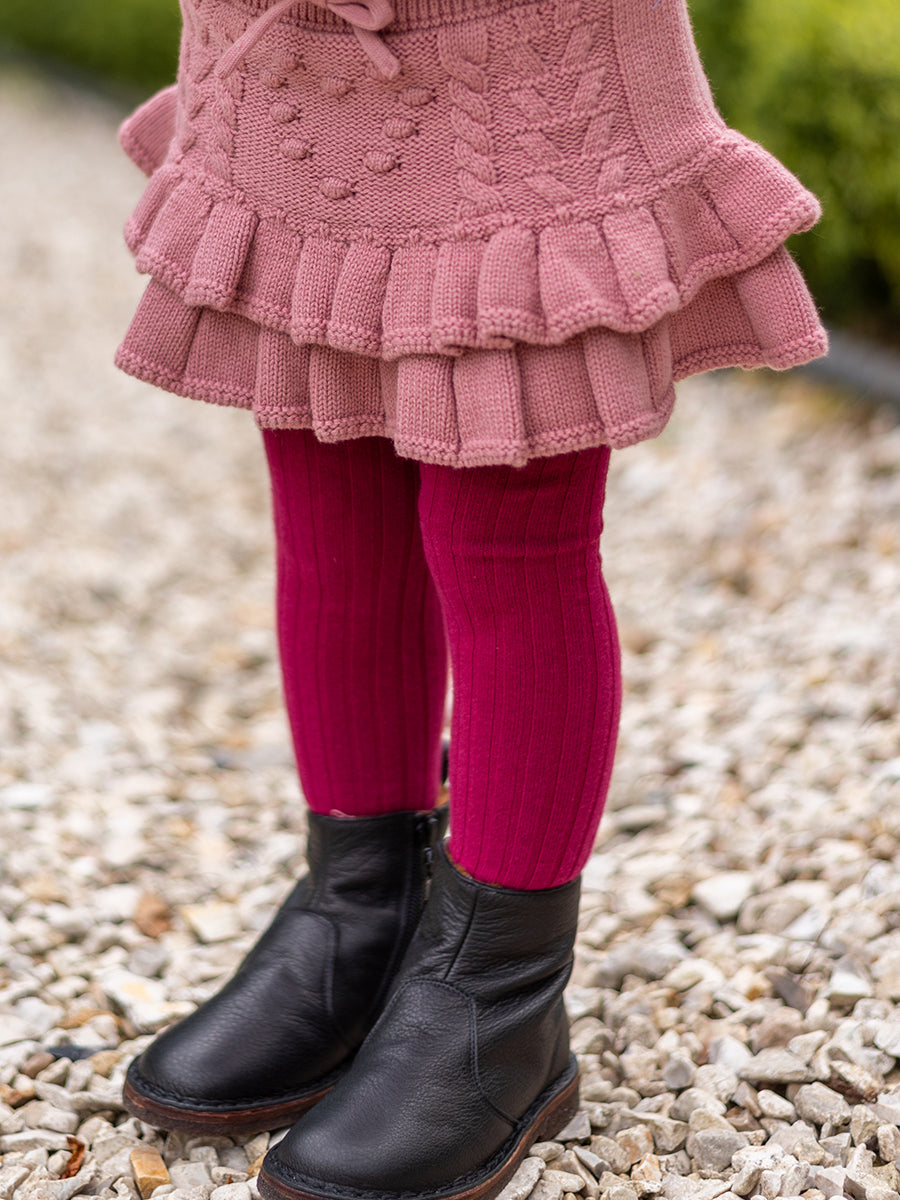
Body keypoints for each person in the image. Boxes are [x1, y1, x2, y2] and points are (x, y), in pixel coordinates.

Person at [114, 1, 828, 1198]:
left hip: (516, 47)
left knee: (508, 503)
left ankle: (499, 995)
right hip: (286, 41)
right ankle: (363, 912)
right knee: (326, 473)